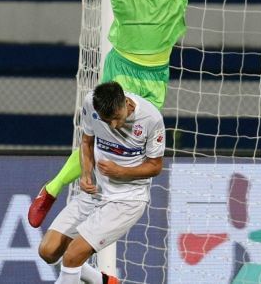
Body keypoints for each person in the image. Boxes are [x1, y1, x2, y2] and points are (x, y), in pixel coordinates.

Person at [29, 0, 185, 227]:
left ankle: (98, 203)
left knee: (133, 140)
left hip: (157, 73)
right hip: (123, 67)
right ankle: (51, 190)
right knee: (100, 132)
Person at [37, 81, 165, 284]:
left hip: (126, 200)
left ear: (126, 103)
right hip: (95, 192)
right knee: (48, 251)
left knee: (72, 256)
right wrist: (86, 173)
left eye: (116, 118)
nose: (113, 125)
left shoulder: (151, 119)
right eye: (107, 121)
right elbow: (87, 142)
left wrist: (121, 171)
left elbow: (156, 166)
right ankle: (101, 281)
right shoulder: (90, 103)